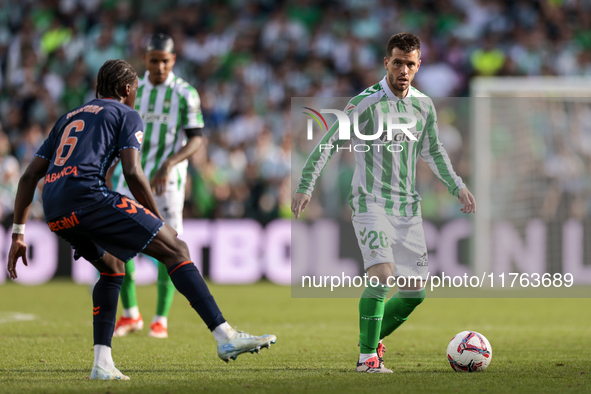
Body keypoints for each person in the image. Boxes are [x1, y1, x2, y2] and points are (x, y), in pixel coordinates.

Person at [7, 59, 276, 381]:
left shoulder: (69, 117)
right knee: (176, 248)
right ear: (126, 90)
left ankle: (102, 363)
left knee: (112, 268)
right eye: (134, 90)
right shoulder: (125, 113)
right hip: (88, 198)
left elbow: (29, 176)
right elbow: (133, 172)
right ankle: (225, 336)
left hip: (54, 207)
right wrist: (159, 220)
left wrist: (18, 233)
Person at [291, 33, 476, 373]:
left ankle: (371, 339)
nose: (403, 70)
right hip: (370, 202)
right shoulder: (365, 103)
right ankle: (367, 359)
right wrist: (306, 185)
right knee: (382, 274)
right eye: (397, 63)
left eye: (410, 64)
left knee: (414, 293)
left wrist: (457, 186)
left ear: (418, 66)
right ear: (386, 63)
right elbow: (328, 143)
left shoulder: (424, 105)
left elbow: (433, 151)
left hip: (408, 206)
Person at [109, 34, 203, 339]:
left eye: (166, 60)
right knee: (117, 243)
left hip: (168, 184)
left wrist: (170, 163)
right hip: (129, 175)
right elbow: (119, 129)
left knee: (169, 245)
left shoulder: (186, 94)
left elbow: (197, 139)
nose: (160, 66)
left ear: (173, 60)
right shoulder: (132, 90)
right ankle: (130, 314)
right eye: (154, 60)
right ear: (145, 58)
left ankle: (160, 318)